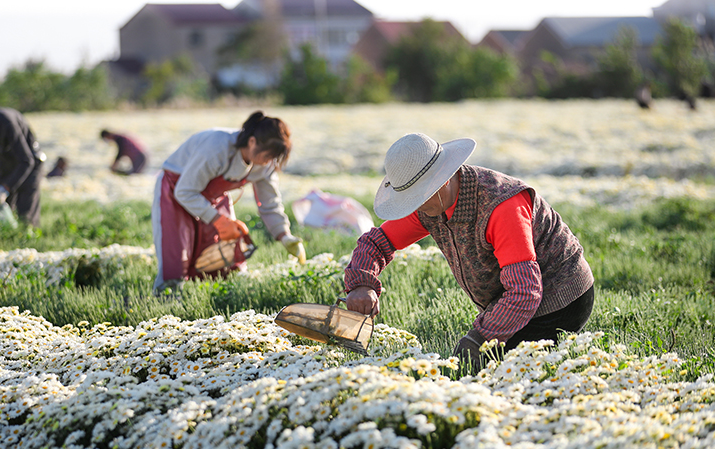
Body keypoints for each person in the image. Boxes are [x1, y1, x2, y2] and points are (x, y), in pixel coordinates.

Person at [344, 133, 594, 370]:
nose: (414, 206)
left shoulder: (500, 205)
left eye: (417, 197)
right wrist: (362, 284)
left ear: (441, 181)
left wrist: (480, 338)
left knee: (495, 373)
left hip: (561, 300)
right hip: (514, 298)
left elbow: (525, 291)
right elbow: (375, 243)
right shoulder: (429, 205)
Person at [152, 110, 306, 294]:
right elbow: (185, 191)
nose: (268, 163)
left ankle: (219, 298)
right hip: (176, 191)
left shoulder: (266, 164)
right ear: (252, 142)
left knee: (227, 253)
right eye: (267, 156)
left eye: (273, 158)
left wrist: (284, 235)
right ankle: (167, 301)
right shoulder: (217, 147)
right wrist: (217, 219)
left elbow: (269, 202)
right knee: (176, 253)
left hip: (214, 197)